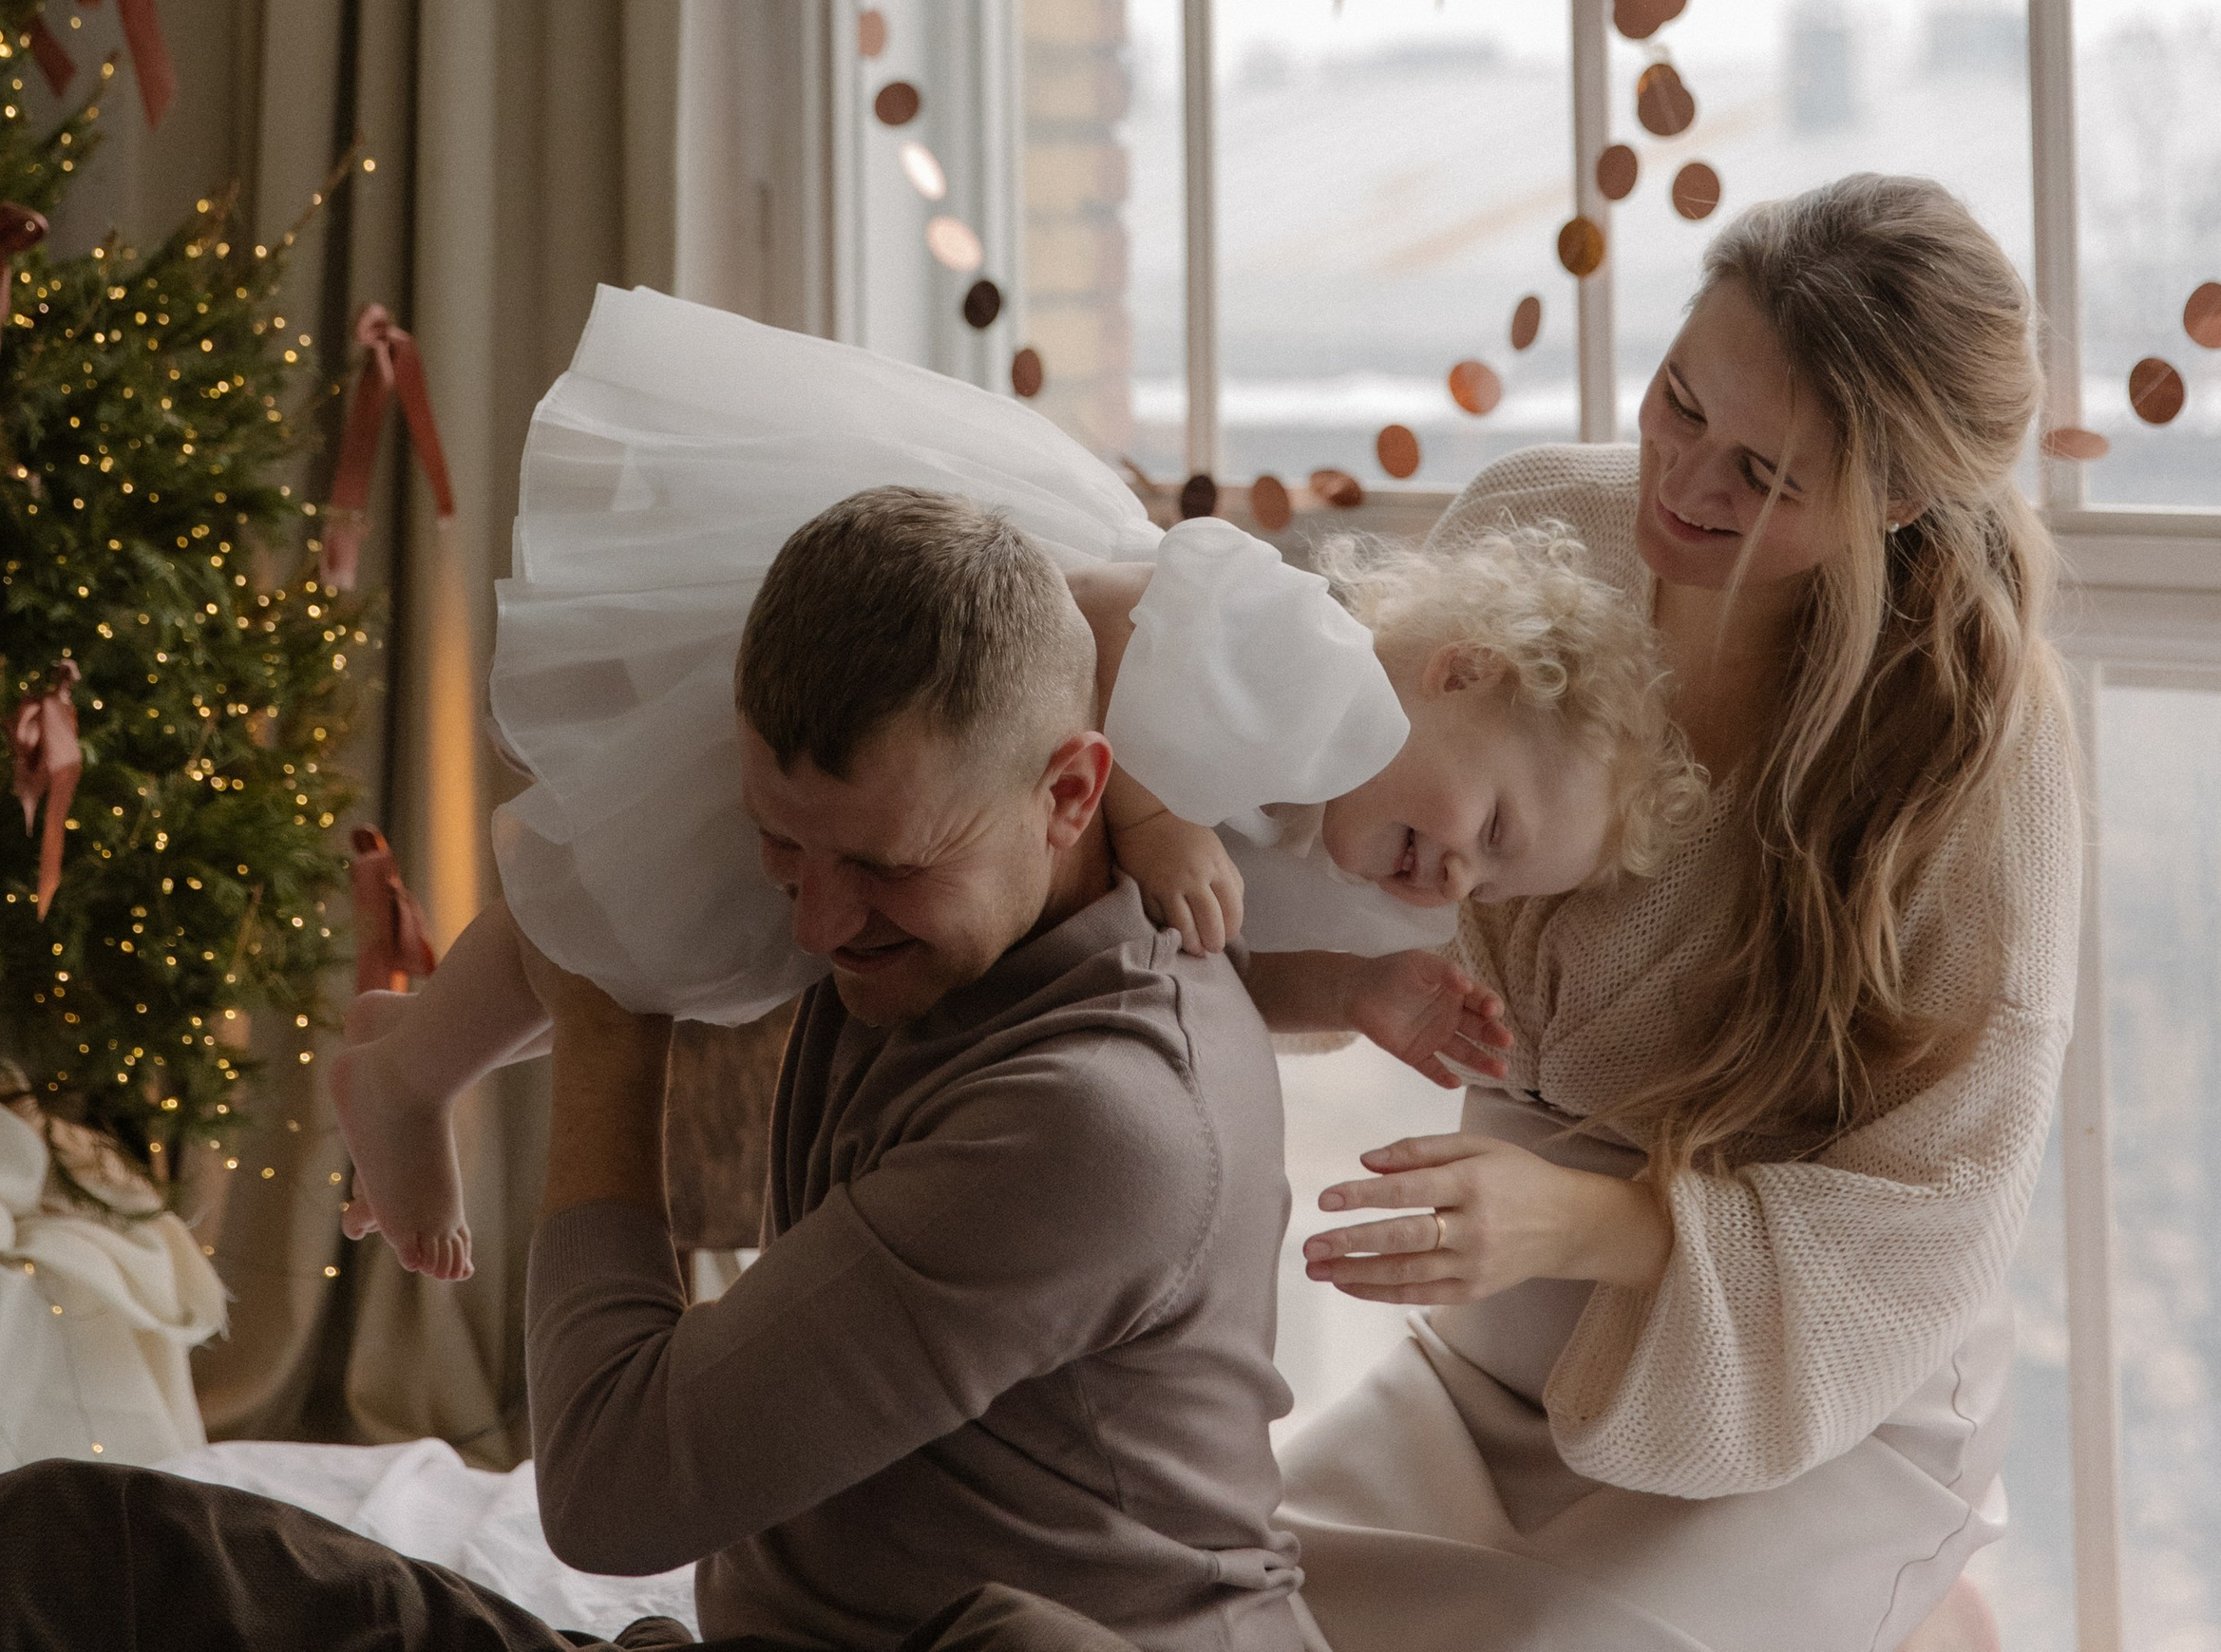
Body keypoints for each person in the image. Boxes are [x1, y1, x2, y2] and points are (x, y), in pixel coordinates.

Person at [0, 484, 1430, 1652]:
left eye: (884, 869)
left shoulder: (1094, 1126)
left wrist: (610, 1033)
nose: (816, 924)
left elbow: (609, 1495)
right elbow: (1071, 604)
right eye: (780, 848)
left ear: (1072, 793)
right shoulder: (985, 888)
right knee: (69, 1545)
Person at [334, 285, 1700, 1278]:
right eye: (1492, 825)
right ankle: (412, 1077)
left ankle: (423, 1043)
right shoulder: (1310, 661)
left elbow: (1221, 966)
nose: (1458, 876)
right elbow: (1089, 607)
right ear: (1459, 672)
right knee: (632, 885)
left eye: (1496, 880)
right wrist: (1152, 815)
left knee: (695, 955)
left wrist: (1349, 992)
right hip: (929, 677)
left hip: (956, 842)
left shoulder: (1355, 875)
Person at [1251, 177, 2081, 1652]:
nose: (1683, 482)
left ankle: (1920, 1609)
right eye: (1680, 400)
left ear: (1894, 500)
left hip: (1807, 1403)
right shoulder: (1531, 525)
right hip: (1502, 1364)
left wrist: (1579, 1216)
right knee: (1210, 1608)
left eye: (1765, 475)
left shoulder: (1974, 748)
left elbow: (1936, 1212)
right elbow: (1342, 827)